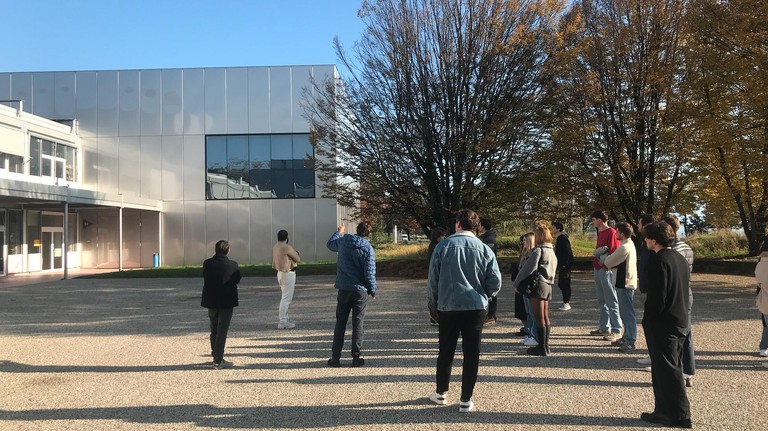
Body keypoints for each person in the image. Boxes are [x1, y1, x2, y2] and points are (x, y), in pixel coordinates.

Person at [427, 209, 502, 413]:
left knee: (446, 351)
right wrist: (486, 295)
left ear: (458, 223)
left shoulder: (443, 246)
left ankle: (441, 392)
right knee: (472, 353)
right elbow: (495, 281)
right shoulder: (484, 249)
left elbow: (433, 280)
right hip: (475, 306)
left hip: (448, 306)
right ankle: (465, 399)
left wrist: (432, 305)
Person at [640, 221, 692, 429]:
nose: (644, 240)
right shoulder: (678, 257)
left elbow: (657, 296)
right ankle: (664, 410)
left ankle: (679, 414)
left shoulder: (659, 260)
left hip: (664, 321)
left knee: (667, 370)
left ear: (653, 239)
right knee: (669, 368)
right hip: (679, 318)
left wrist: (648, 319)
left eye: (646, 237)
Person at [326, 222, 377, 367]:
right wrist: (372, 290)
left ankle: (335, 357)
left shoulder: (343, 242)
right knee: (358, 323)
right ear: (368, 233)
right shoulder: (368, 248)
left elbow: (330, 244)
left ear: (357, 230)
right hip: (360, 291)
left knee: (340, 322)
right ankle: (356, 357)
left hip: (344, 288)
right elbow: (369, 273)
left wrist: (339, 232)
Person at [512, 223, 558, 356]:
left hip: (538, 286)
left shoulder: (538, 251)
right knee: (545, 317)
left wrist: (516, 284)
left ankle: (541, 346)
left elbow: (527, 269)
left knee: (538, 317)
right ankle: (545, 345)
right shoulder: (551, 251)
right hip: (548, 285)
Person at [662, 214, 697, 387]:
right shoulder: (687, 247)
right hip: (687, 291)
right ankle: (688, 372)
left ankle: (677, 371)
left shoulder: (672, 251)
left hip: (677, 292)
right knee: (686, 332)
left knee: (674, 333)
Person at [201, 240, 242, 369]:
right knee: (222, 331)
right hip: (226, 301)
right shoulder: (232, 265)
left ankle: (215, 354)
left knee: (214, 329)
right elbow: (237, 279)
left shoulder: (207, 263)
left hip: (211, 300)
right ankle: (218, 360)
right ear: (228, 250)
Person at [601, 222, 638, 352]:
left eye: (617, 232)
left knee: (627, 313)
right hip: (624, 282)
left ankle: (630, 340)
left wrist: (606, 258)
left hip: (624, 283)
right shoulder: (628, 244)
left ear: (621, 234)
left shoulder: (624, 247)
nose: (615, 233)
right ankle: (626, 337)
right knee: (625, 312)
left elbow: (609, 261)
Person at [589, 210, 623, 342]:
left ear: (600, 220)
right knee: (602, 300)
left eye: (593, 220)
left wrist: (606, 265)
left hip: (606, 269)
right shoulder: (601, 232)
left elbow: (614, 251)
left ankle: (616, 329)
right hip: (598, 267)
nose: (592, 222)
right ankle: (604, 326)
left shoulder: (612, 232)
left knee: (611, 299)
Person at [635, 214, 654, 367]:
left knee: (653, 324)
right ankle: (651, 354)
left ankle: (655, 357)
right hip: (645, 288)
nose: (637, 225)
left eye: (639, 223)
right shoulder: (646, 244)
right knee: (648, 323)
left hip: (651, 289)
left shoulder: (653, 245)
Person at [272, 229, 301, 329]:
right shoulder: (286, 247)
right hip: (288, 273)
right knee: (286, 299)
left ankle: (286, 318)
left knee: (284, 296)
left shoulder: (276, 246)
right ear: (286, 237)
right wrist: (297, 253)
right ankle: (283, 321)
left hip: (279, 273)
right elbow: (297, 258)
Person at [479, 218, 499, 324]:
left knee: (491, 292)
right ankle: (490, 314)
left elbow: (488, 255)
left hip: (488, 268)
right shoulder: (488, 237)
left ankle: (491, 315)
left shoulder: (489, 239)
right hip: (488, 267)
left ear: (482, 227)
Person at [552, 221, 575, 311]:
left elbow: (567, 251)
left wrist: (564, 264)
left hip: (565, 265)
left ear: (558, 229)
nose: (552, 229)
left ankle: (566, 302)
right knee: (562, 283)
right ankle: (565, 301)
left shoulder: (562, 238)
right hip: (563, 264)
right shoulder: (560, 238)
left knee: (564, 282)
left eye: (553, 227)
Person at [427, 227, 447, 325]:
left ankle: (434, 316)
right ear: (437, 237)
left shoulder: (436, 246)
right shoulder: (436, 247)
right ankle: (434, 316)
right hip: (437, 273)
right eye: (442, 236)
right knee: (434, 295)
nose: (444, 238)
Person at [755, 240, 768, 367]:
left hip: (765, 300)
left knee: (766, 325)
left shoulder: (760, 265)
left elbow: (758, 283)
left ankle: (763, 347)